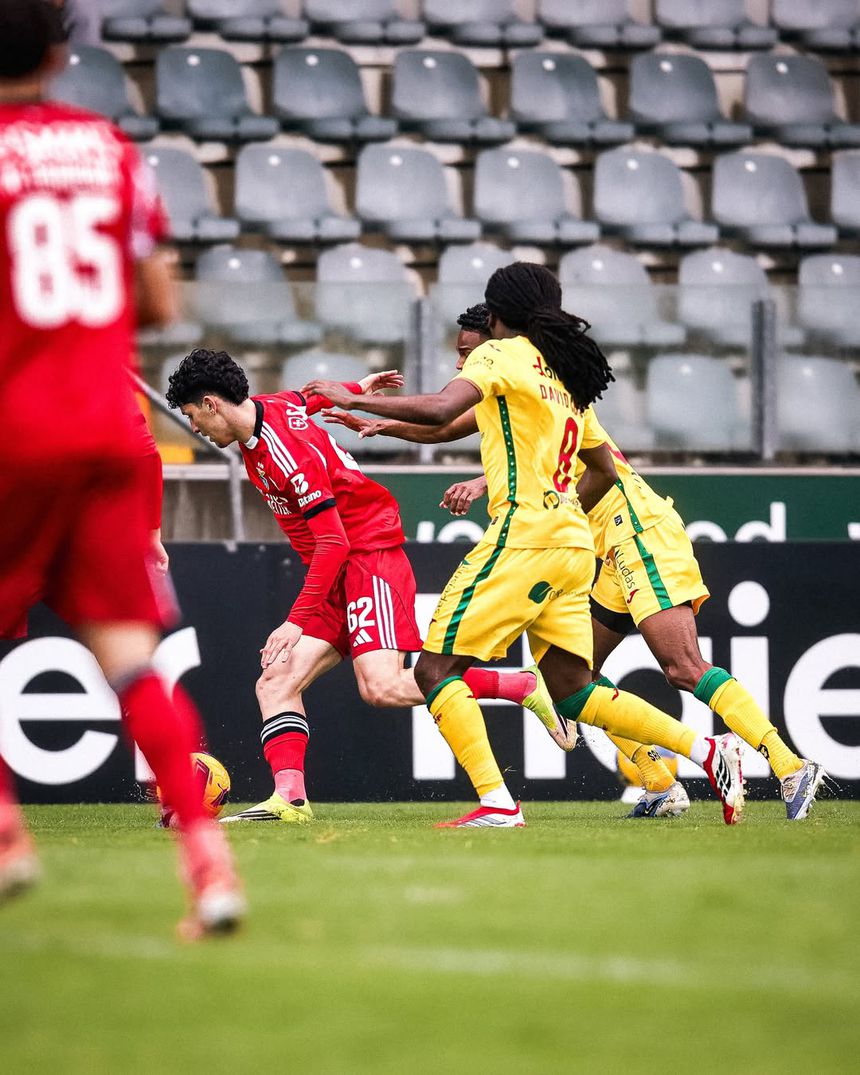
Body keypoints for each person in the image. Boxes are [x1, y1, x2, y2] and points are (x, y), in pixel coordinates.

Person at [329, 302, 826, 823]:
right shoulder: (529, 389)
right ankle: (660, 781)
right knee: (574, 681)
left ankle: (789, 765)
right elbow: (444, 426)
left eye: (465, 354)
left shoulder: (519, 373)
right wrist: (376, 426)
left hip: (636, 531)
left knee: (681, 667)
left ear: (494, 342)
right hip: (591, 544)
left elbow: (589, 467)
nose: (461, 366)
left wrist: (498, 486)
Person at [0, 0, 244, 939]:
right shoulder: (109, 148)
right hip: (108, 428)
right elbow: (157, 297)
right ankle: (211, 872)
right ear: (65, 51)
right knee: (134, 663)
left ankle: (10, 838)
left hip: (14, 433)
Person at [165, 349, 564, 825]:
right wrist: (359, 386)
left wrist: (295, 623)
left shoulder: (286, 454)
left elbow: (334, 541)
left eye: (192, 416)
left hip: (366, 556)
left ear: (211, 404)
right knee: (275, 681)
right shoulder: (270, 407)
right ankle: (290, 801)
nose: (195, 428)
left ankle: (518, 684)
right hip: (334, 567)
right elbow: (306, 400)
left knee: (383, 687)